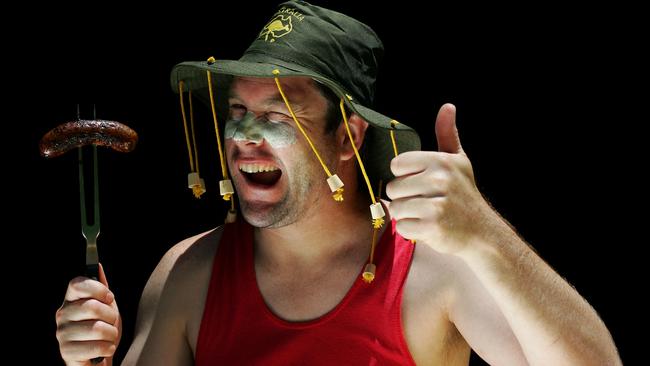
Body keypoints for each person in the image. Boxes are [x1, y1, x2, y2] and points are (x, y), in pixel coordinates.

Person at [55, 1, 621, 365]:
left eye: (278, 117)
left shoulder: (431, 270)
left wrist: (486, 237)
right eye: (235, 110)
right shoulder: (189, 272)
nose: (243, 136)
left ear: (348, 135)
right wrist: (89, 362)